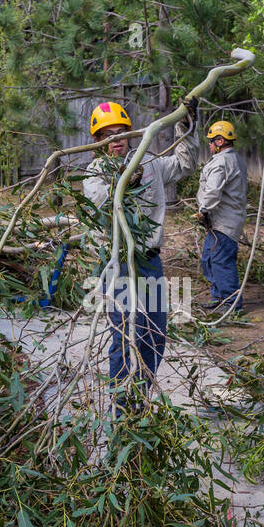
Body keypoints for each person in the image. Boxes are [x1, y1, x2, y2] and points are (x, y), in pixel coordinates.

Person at [81, 99, 197, 403]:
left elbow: (185, 164)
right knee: (123, 338)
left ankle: (140, 397)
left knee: (155, 335)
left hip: (150, 263)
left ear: (131, 134)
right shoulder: (94, 173)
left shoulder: (150, 163)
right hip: (118, 266)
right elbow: (101, 202)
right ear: (97, 141)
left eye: (121, 134)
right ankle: (122, 411)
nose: (116, 141)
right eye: (108, 136)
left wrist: (186, 124)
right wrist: (124, 182)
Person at [195, 119, 248, 313]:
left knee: (221, 261)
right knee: (209, 259)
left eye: (210, 141)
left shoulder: (221, 162)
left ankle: (231, 304)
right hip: (221, 222)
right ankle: (219, 297)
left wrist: (203, 210)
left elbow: (213, 191)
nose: (208, 145)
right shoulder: (234, 159)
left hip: (224, 222)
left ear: (219, 141)